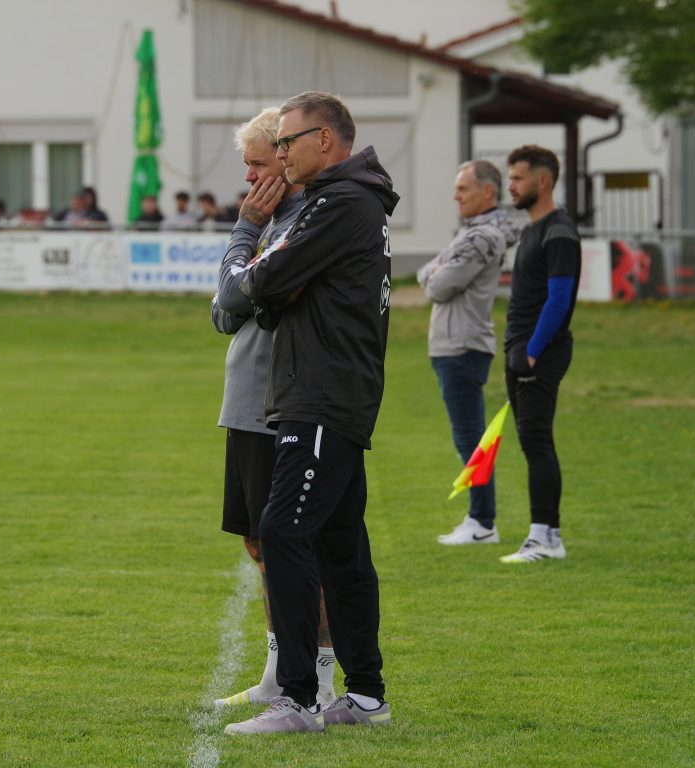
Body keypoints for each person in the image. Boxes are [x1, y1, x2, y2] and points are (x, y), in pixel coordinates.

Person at [224, 91, 399, 735]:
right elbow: (268, 292)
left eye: (288, 141)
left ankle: (297, 699)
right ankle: (367, 697)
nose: (281, 153)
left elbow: (258, 284)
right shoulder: (349, 200)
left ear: (324, 139)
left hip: (321, 395)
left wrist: (252, 265)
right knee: (341, 544)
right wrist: (267, 287)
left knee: (283, 532)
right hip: (331, 394)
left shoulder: (341, 203)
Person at [209, 107, 336, 710]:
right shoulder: (267, 223)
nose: (251, 177)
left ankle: (320, 672)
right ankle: (277, 668)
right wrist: (241, 278)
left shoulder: (297, 225)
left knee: (292, 547)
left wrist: (243, 236)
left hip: (278, 403)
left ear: (287, 160)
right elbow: (223, 311)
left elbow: (240, 295)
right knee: (259, 545)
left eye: (258, 163)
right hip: (244, 403)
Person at [417, 160, 519, 546]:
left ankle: (482, 521)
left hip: (463, 345)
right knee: (470, 437)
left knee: (470, 439)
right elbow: (429, 271)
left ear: (487, 192)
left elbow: (437, 286)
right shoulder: (474, 232)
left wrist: (436, 271)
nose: (454, 196)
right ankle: (480, 518)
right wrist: (436, 271)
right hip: (456, 345)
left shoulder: (482, 237)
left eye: (463, 188)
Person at [500, 145, 580, 564]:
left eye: (518, 178)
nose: (510, 186)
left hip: (538, 353)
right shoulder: (533, 229)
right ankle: (546, 534)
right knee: (532, 440)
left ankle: (545, 537)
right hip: (519, 350)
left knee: (536, 440)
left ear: (543, 182)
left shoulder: (559, 231)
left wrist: (532, 352)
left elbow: (559, 300)